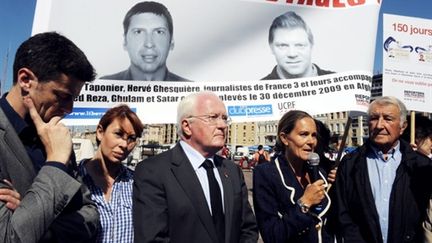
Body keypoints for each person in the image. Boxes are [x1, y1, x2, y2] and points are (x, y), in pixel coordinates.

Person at [0, 32, 99, 242]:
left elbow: (91, 216)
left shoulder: (57, 138)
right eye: (63, 96)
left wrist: (38, 221)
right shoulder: (57, 149)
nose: (69, 109)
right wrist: (55, 163)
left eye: (74, 99)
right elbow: (10, 237)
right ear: (26, 79)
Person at [133, 91, 258, 242]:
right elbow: (152, 238)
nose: (223, 125)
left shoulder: (232, 171)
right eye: (212, 118)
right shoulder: (153, 171)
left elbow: (248, 229)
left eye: (225, 118)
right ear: (187, 126)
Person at [331, 96, 432, 243]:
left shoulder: (421, 166)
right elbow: (342, 213)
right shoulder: (350, 164)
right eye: (373, 118)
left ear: (403, 126)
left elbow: (425, 214)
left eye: (388, 118)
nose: (379, 125)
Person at [253, 110, 333, 242]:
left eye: (313, 135)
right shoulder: (267, 174)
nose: (311, 141)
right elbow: (271, 235)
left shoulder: (320, 173)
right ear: (284, 138)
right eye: (303, 134)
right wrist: (304, 203)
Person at [78, 104, 144, 243]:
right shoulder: (73, 180)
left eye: (131, 138)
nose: (124, 144)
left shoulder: (136, 183)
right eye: (118, 134)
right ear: (100, 132)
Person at [101, 1, 187, 81]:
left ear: (171, 41)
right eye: (138, 32)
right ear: (125, 41)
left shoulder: (195, 93)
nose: (149, 44)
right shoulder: (100, 89)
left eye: (159, 32)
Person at [262, 11, 334, 80]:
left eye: (300, 45)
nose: (292, 54)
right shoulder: (257, 91)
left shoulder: (340, 84)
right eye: (283, 46)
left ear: (311, 45)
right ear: (271, 48)